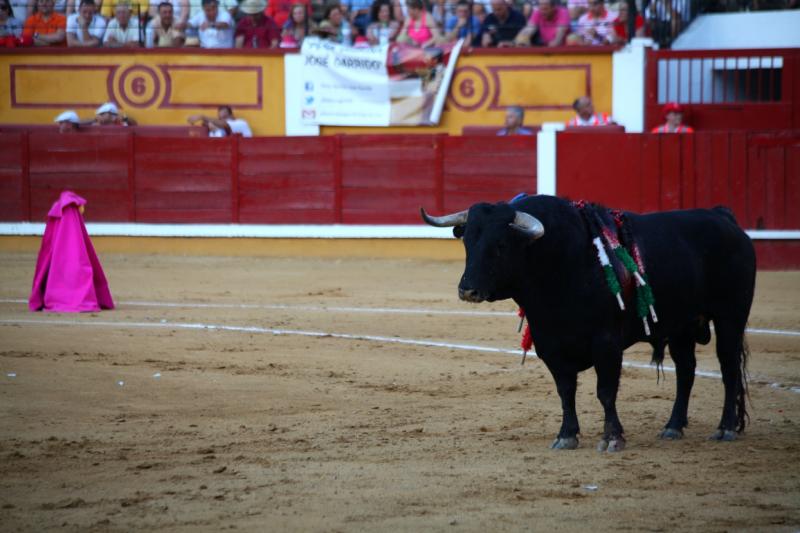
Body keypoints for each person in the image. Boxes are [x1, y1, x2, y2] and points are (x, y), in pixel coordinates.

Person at [187, 105, 253, 137]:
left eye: (225, 117)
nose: (222, 121)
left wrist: (202, 117)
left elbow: (224, 124)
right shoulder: (219, 129)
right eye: (220, 119)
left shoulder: (241, 123)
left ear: (232, 116)